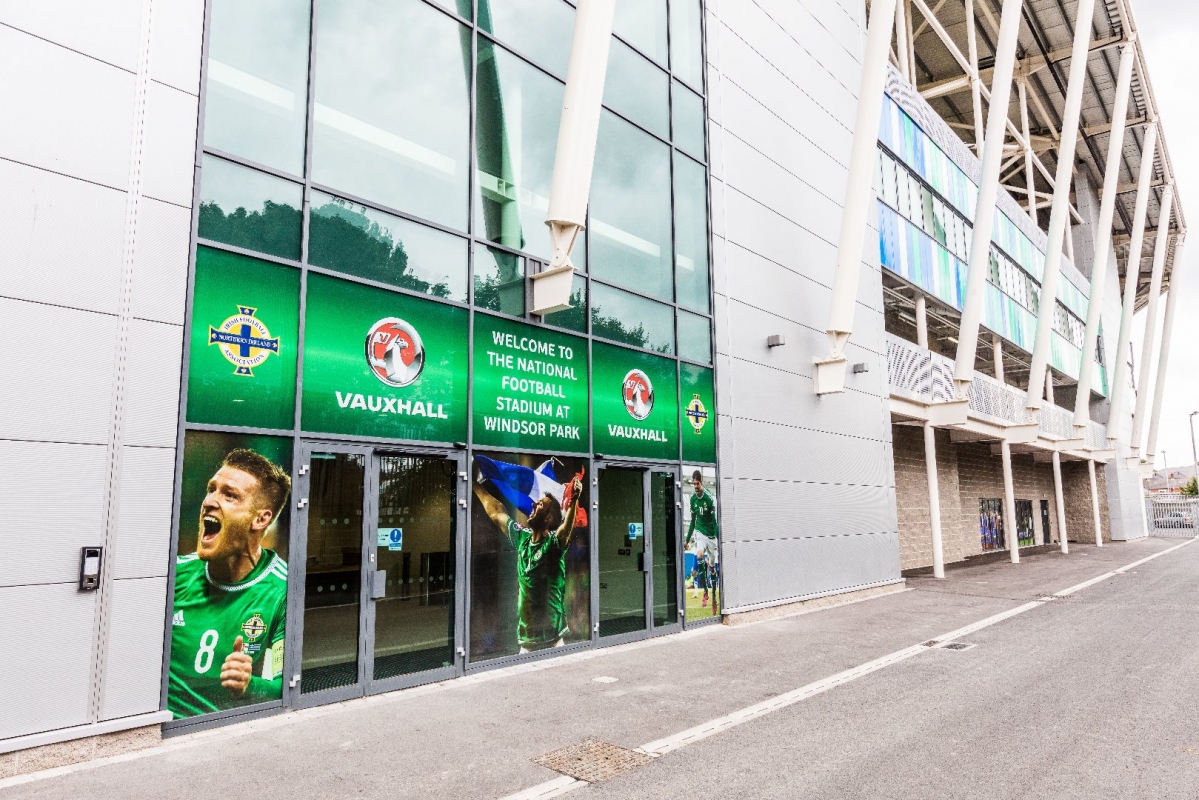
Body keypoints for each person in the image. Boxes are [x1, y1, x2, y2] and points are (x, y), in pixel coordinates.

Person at [168, 449, 291, 718]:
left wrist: (249, 684)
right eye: (211, 489)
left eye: (229, 495)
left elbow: (287, 687)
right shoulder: (173, 576)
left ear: (261, 519)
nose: (210, 501)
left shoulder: (284, 592)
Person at [473, 472, 583, 653]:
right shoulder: (522, 537)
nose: (533, 504)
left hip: (553, 641)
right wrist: (473, 483)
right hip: (526, 643)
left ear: (548, 519)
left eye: (540, 505)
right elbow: (497, 512)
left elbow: (565, 531)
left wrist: (574, 500)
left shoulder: (553, 545)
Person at [685, 470, 718, 607]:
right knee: (699, 556)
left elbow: (714, 522)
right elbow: (693, 521)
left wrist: (718, 538)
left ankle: (714, 596)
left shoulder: (709, 499)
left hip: (711, 535)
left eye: (697, 483)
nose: (695, 486)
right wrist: (687, 540)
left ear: (701, 483)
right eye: (693, 484)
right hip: (700, 532)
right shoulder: (693, 500)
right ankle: (705, 592)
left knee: (711, 566)